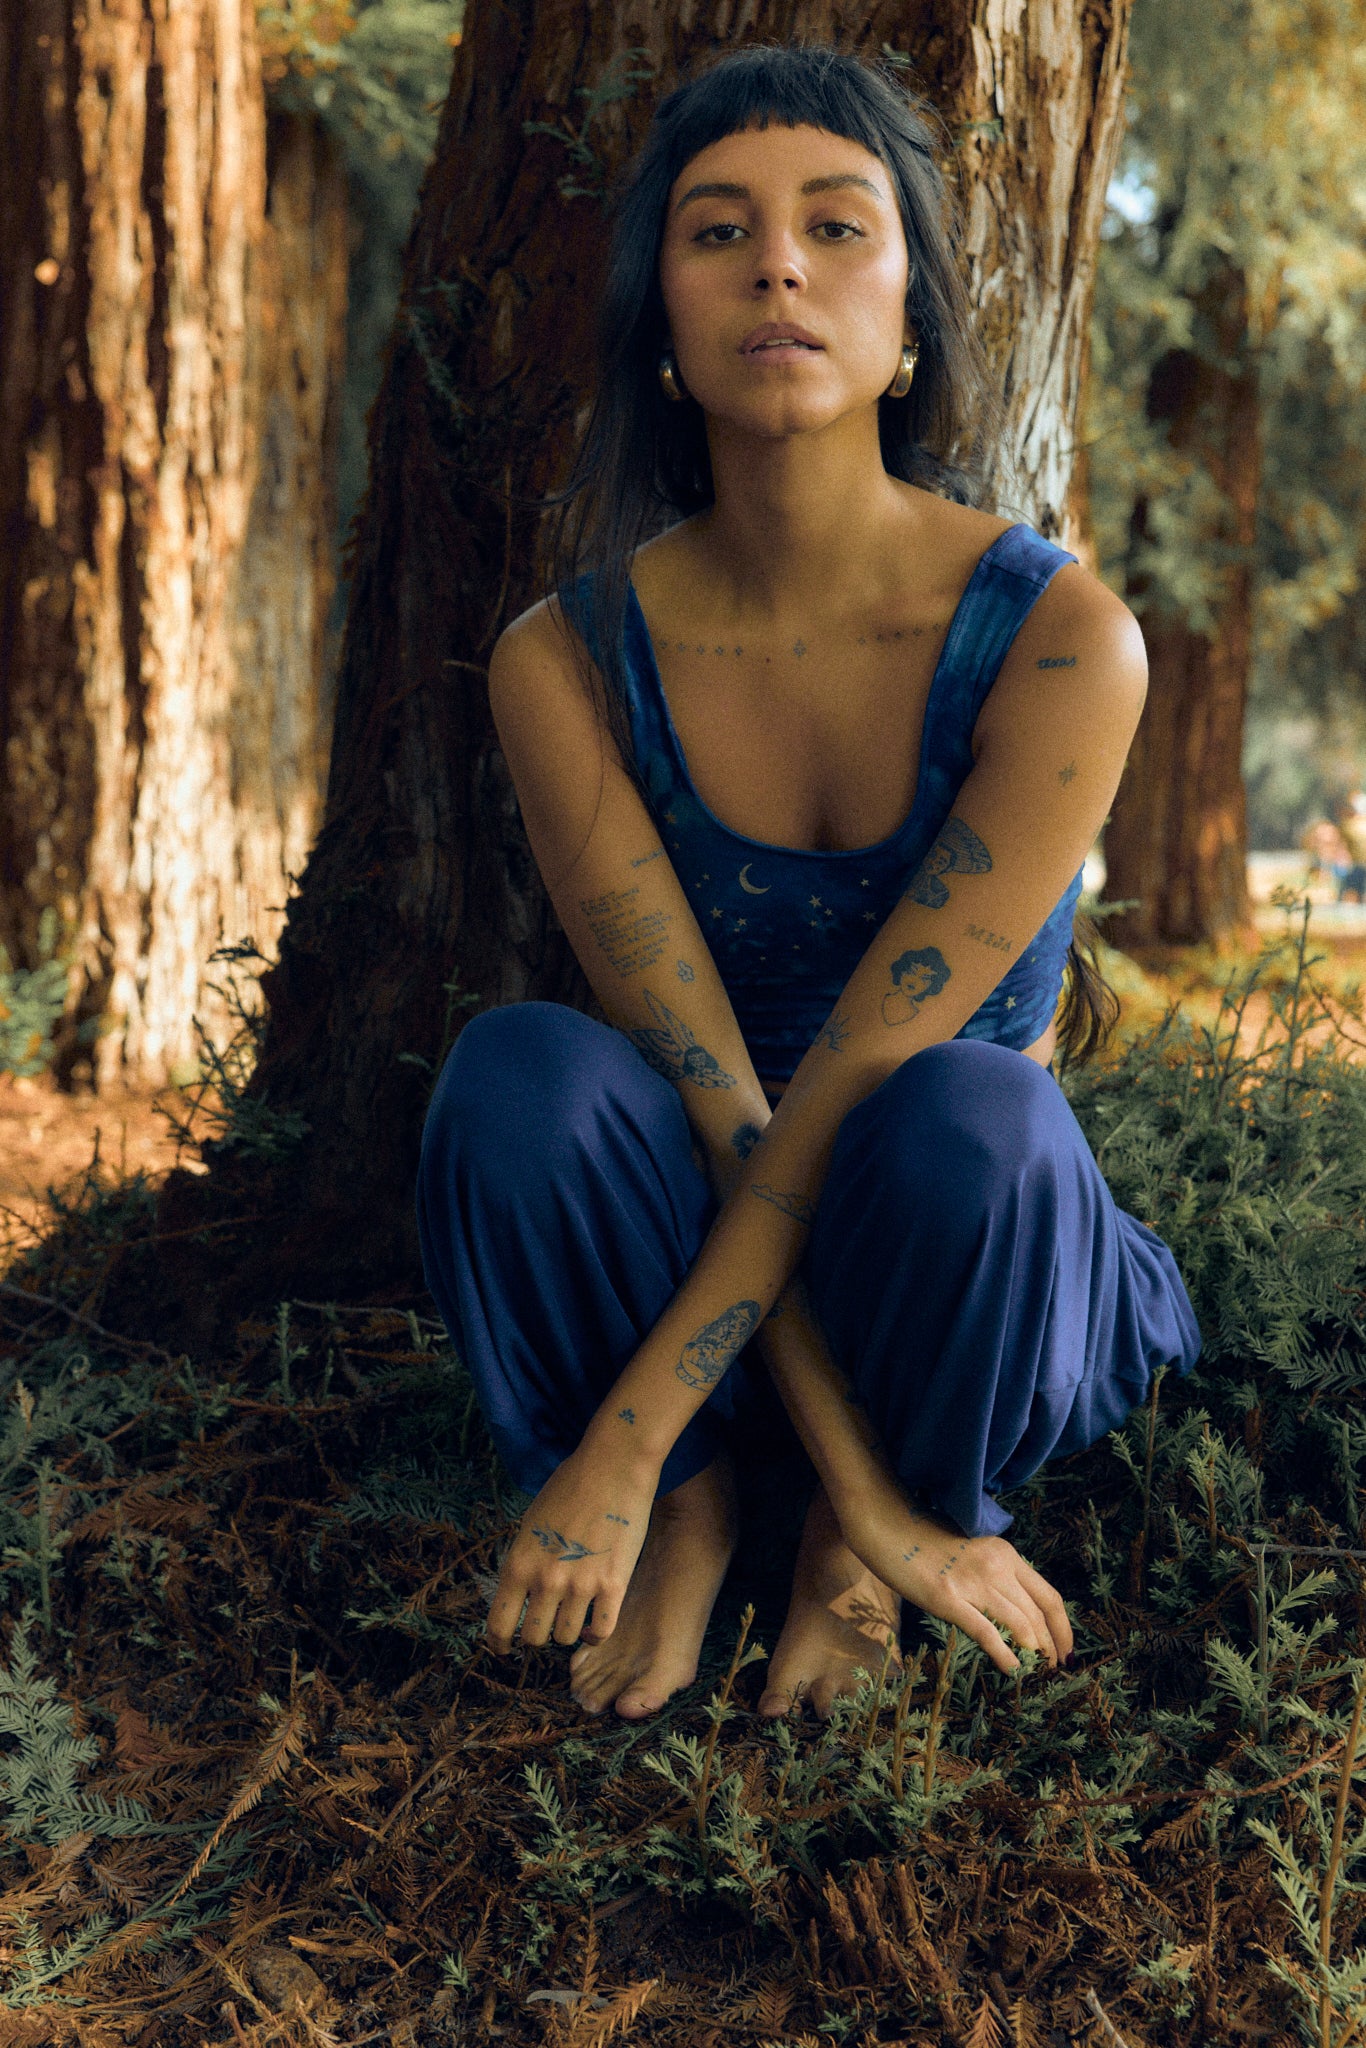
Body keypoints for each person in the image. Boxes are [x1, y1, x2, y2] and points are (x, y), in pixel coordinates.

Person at [416, 46, 1202, 1722]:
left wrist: (862, 1509)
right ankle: (703, 1512)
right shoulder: (564, 661)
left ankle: (879, 1532)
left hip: (957, 1264)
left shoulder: (1062, 639)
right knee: (518, 1075)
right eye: (718, 233)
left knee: (971, 1110)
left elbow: (846, 1099)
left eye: (836, 227)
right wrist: (653, 1458)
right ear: (662, 324)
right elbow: (729, 1127)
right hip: (700, 1234)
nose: (777, 265)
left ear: (909, 321)